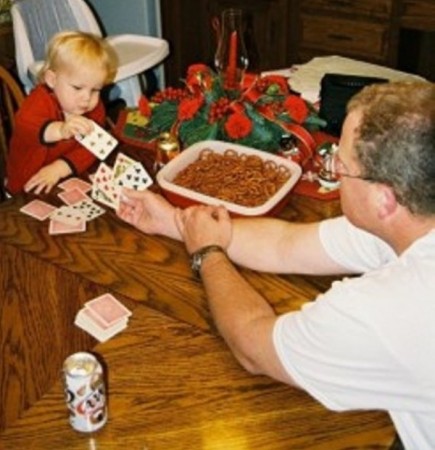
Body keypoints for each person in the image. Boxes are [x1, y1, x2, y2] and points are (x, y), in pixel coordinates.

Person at [117, 80, 435, 450]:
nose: (331, 169)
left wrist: (207, 255)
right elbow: (286, 245)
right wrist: (176, 222)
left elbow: (254, 346)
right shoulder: (412, 214)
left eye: (340, 165)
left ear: (384, 200)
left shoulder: (385, 311)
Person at [6, 30, 118, 195]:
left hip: (65, 175)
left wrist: (59, 168)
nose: (87, 98)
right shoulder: (39, 101)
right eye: (77, 88)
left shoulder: (94, 108)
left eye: (95, 90)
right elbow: (26, 125)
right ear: (52, 80)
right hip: (26, 183)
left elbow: (93, 147)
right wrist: (59, 130)